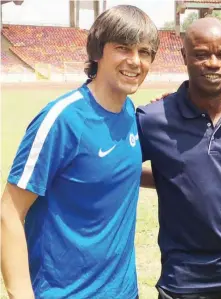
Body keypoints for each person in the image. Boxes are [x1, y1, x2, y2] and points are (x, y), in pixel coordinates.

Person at [1, 5, 159, 299]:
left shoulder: (129, 113)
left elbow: (114, 171)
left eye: (145, 52)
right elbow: (9, 211)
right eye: (123, 48)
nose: (135, 61)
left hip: (125, 292)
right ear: (98, 52)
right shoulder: (62, 119)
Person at [137, 17, 221, 299]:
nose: (213, 63)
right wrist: (170, 177)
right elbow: (119, 169)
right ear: (184, 56)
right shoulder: (151, 120)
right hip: (184, 280)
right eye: (201, 54)